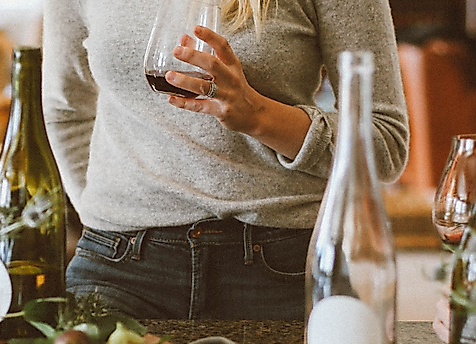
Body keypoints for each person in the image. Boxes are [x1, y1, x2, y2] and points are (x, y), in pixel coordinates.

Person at [42, 0, 409, 320]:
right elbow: (64, 111)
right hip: (120, 269)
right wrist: (99, 212)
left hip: (281, 269)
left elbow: (384, 143)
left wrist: (259, 116)